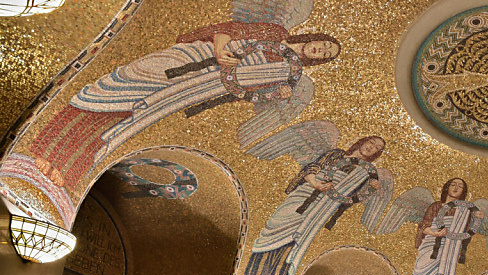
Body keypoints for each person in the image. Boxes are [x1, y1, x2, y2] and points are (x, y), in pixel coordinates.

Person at [29, 21, 340, 191]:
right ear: (316, 37)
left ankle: (69, 164)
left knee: (136, 113)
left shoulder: (288, 75)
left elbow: (245, 94)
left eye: (326, 55)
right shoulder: (277, 33)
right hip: (196, 57)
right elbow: (230, 30)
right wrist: (220, 50)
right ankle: (44, 147)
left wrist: (275, 93)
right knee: (121, 83)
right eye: (325, 44)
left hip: (199, 87)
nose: (322, 50)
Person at [242, 136, 385, 275]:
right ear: (363, 141)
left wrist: (370, 189)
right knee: (272, 233)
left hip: (321, 210)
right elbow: (310, 169)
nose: (371, 147)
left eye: (376, 147)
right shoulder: (336, 154)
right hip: (303, 197)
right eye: (371, 142)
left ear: (377, 153)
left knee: (295, 243)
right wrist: (315, 184)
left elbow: (349, 200)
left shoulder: (364, 173)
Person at [407, 178, 480, 275]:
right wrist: (435, 233)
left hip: (449, 249)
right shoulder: (436, 206)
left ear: (463, 192)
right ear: (447, 187)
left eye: (460, 186)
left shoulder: (464, 211)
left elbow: (467, 232)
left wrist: (477, 217)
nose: (456, 188)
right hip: (430, 246)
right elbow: (424, 225)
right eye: (453, 185)